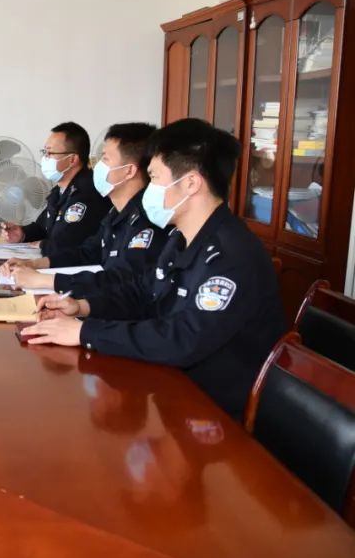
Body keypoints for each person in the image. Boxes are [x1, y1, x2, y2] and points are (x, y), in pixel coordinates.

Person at [22, 118, 285, 420]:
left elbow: (183, 338)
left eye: (155, 178)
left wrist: (85, 332)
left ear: (191, 183)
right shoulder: (182, 238)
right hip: (170, 385)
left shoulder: (231, 256)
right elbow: (143, 292)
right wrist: (82, 305)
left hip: (214, 413)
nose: (149, 189)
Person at [0, 122, 168, 298]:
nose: (97, 166)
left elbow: (122, 282)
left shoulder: (148, 219)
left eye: (105, 159)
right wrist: (33, 264)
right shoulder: (116, 212)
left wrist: (45, 280)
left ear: (129, 171)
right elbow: (88, 253)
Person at [0, 121, 110, 256]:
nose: (45, 158)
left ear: (72, 159)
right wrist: (22, 233)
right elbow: (44, 227)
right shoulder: (60, 190)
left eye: (49, 153)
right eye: (44, 152)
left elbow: (67, 242)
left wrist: (43, 245)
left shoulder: (87, 192)